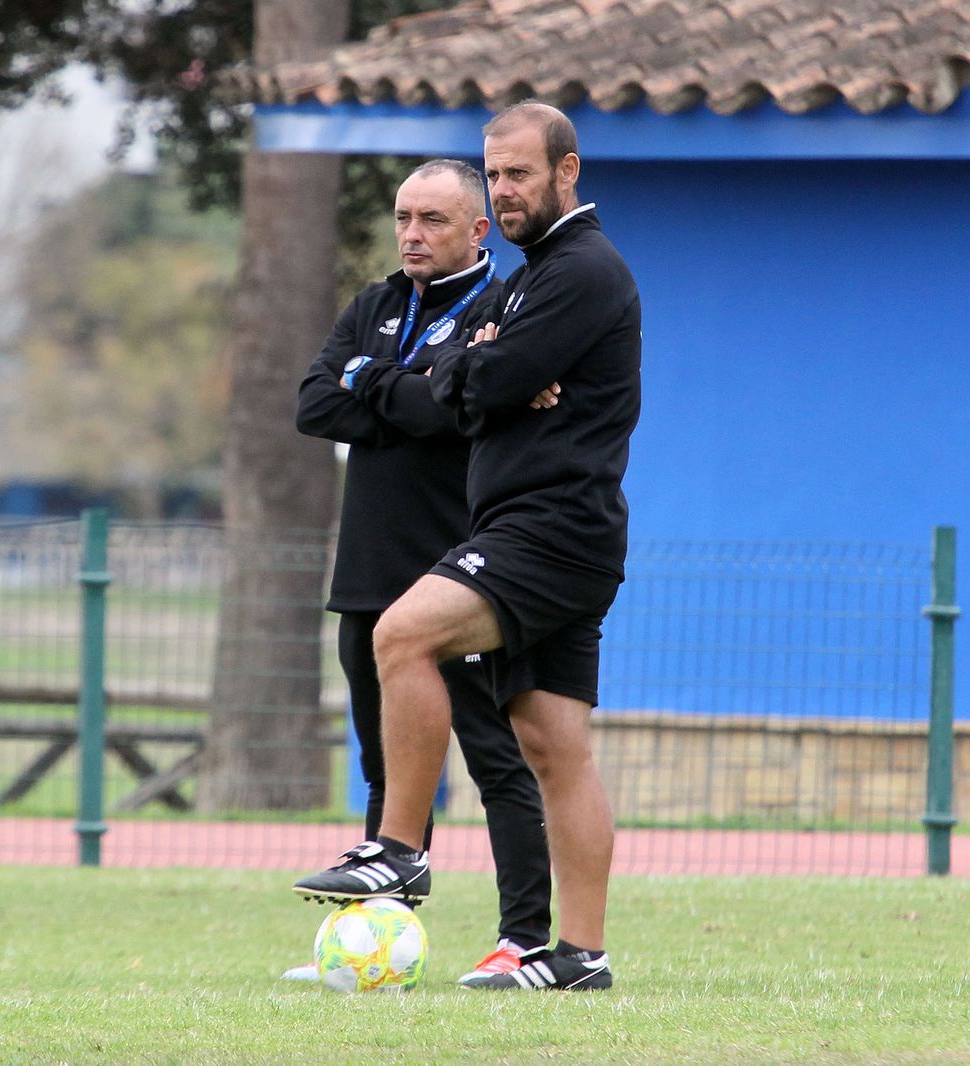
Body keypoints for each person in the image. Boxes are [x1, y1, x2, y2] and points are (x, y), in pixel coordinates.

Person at [294, 102, 642, 993]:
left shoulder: (581, 272)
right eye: (496, 172)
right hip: (541, 531)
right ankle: (580, 957)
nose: (506, 187)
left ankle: (400, 853)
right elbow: (470, 382)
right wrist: (469, 368)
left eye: (520, 172)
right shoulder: (532, 278)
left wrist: (473, 365)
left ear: (567, 171)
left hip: (550, 530)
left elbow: (486, 380)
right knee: (554, 745)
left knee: (402, 636)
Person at [289, 158, 553, 985]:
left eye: (433, 220)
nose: (412, 235)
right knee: (386, 763)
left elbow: (456, 409)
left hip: (455, 573)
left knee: (496, 758)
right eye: (404, 218)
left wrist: (376, 384)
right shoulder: (372, 303)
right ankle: (377, 943)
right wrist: (406, 390)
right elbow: (314, 404)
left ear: (478, 231)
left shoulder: (500, 305)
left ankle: (526, 939)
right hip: (368, 569)